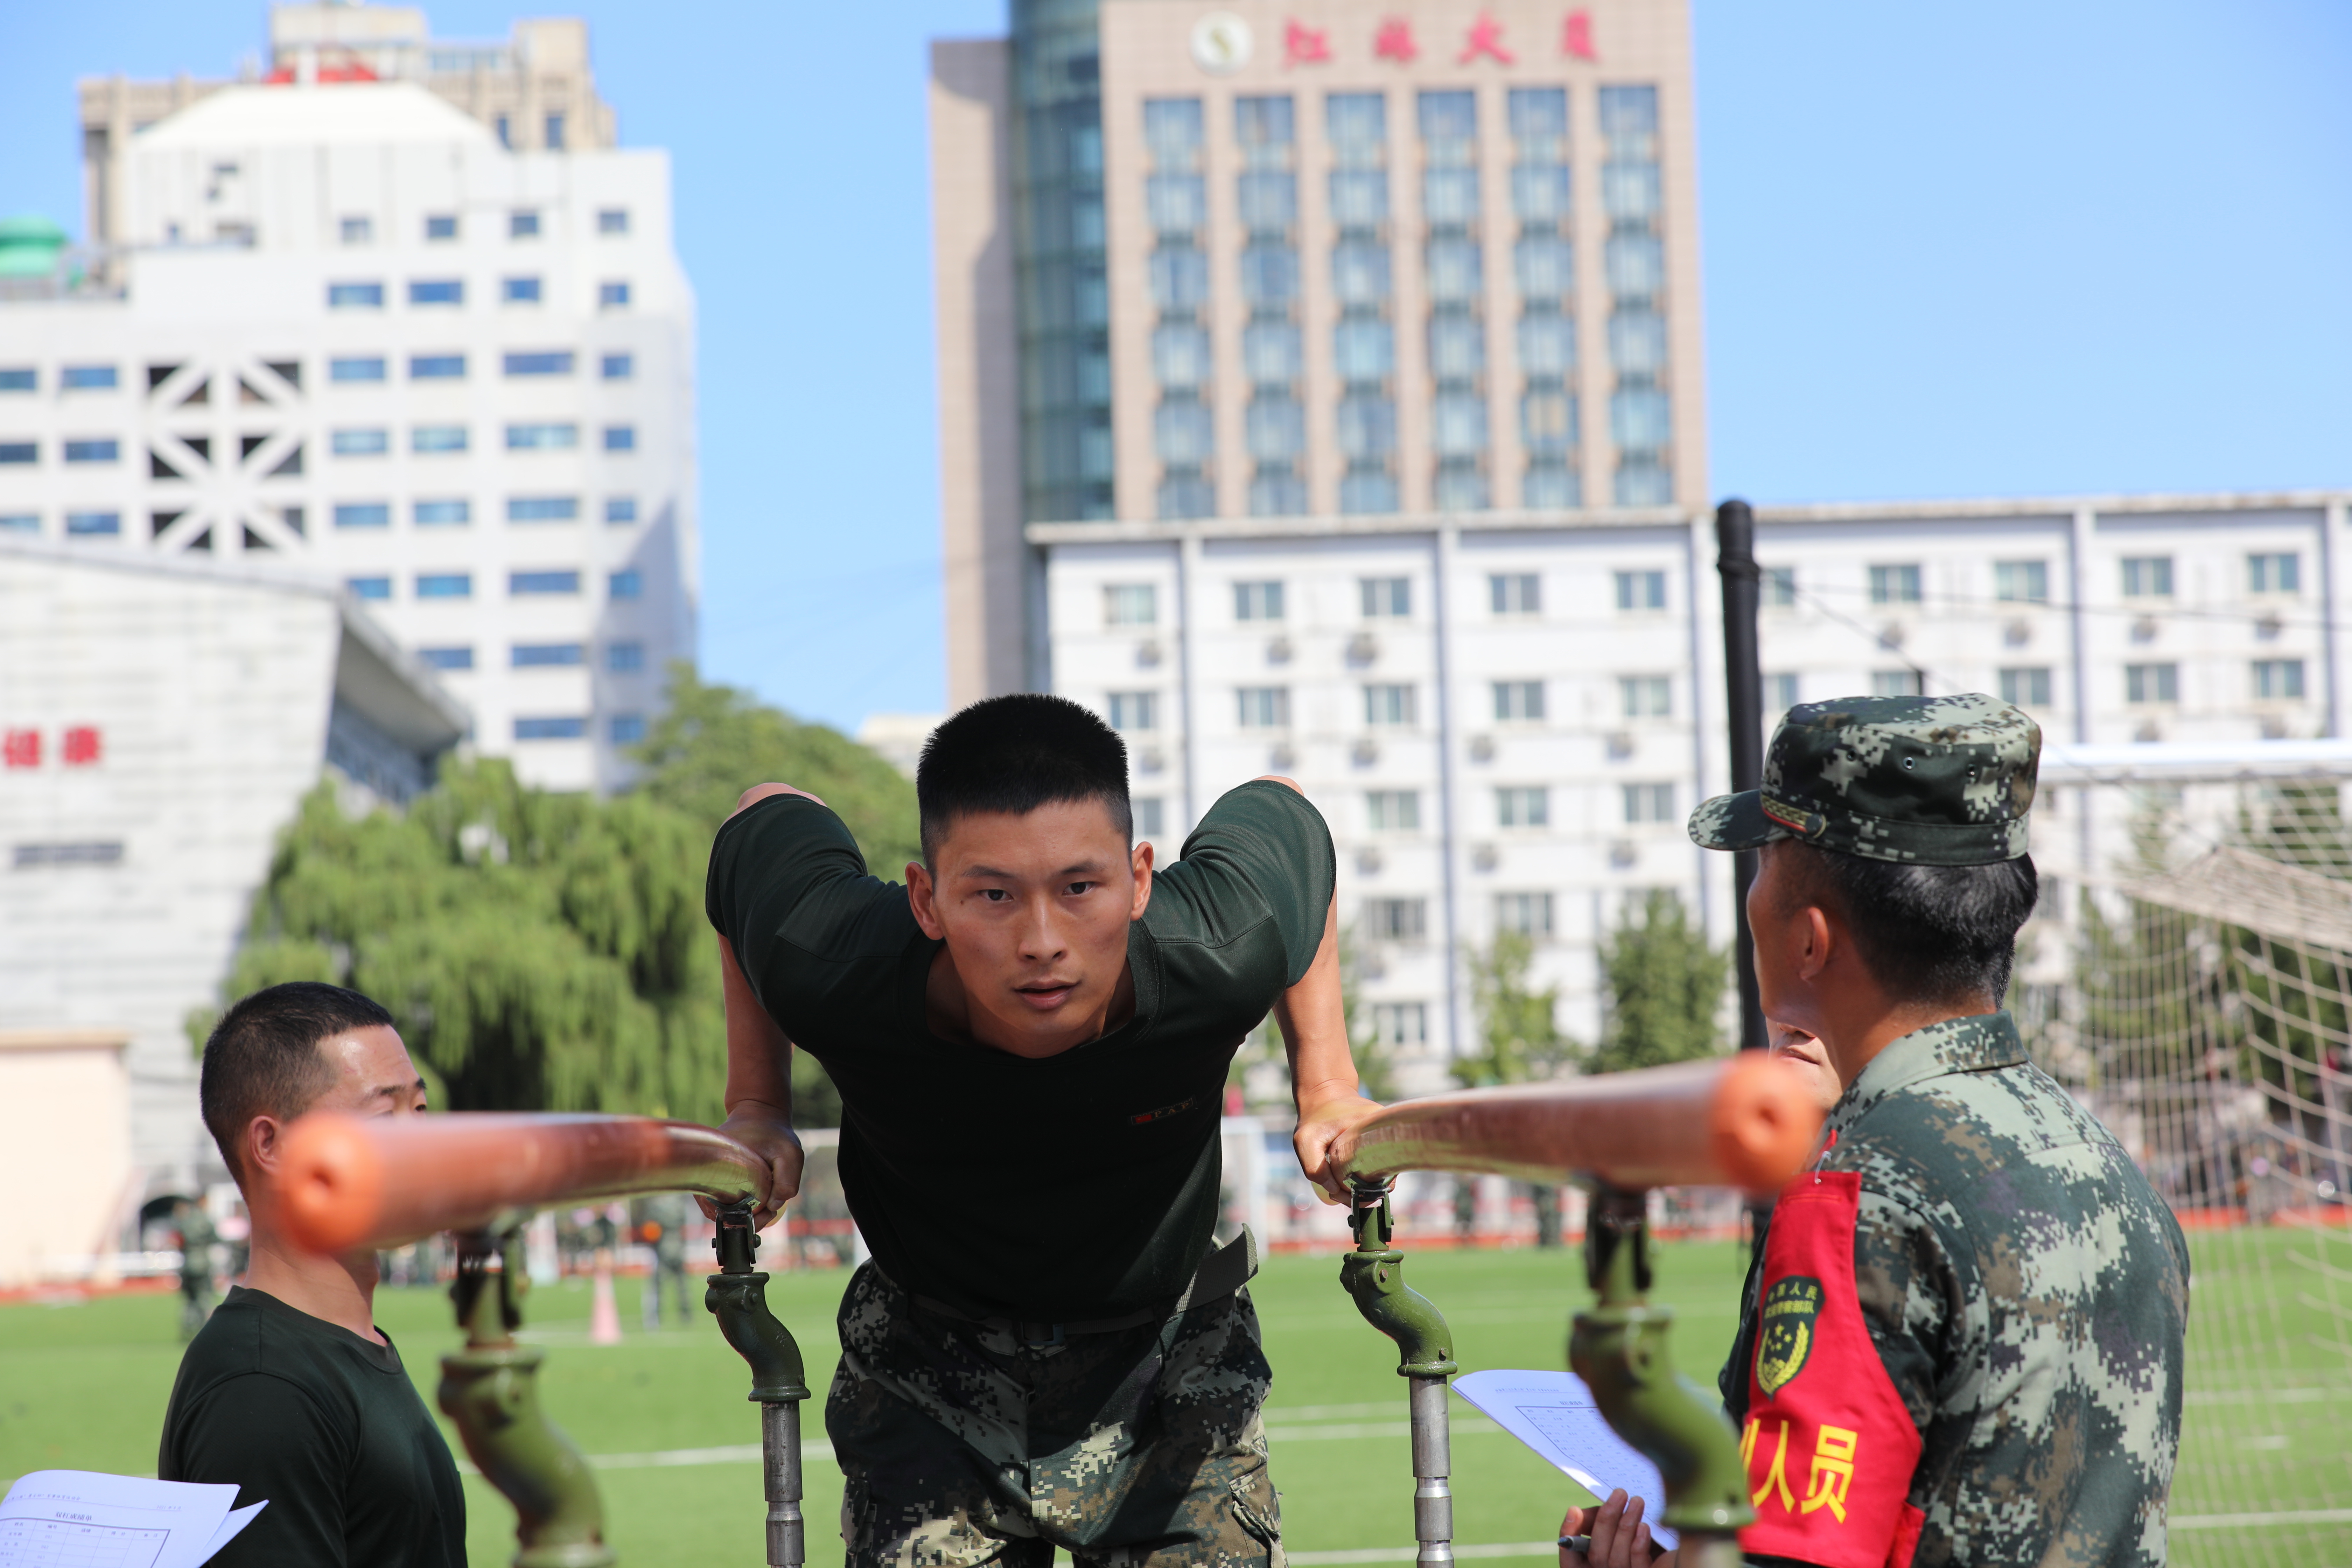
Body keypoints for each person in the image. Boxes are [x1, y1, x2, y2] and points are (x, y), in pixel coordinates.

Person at [704, 693, 1377, 1566]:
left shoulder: (1219, 945)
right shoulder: (834, 962)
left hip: (1170, 1360)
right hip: (927, 1362)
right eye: (992, 894)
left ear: (1139, 881)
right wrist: (756, 1101)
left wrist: (1327, 1081)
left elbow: (1290, 817)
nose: (1042, 941)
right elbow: (761, 821)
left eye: (1079, 888)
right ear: (926, 900)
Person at [1568, 694, 2190, 1568]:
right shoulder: (2100, 1162)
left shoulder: (1861, 1200)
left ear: (1809, 942)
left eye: (1761, 871)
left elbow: (1797, 1555)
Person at [159, 981, 465, 1567]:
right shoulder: (264, 1387)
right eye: (385, 1114)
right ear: (271, 1145)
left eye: (420, 1109)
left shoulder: (344, 1346)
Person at [173, 1196, 219, 1343]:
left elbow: (179, 1242)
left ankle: (187, 1328)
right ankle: (206, 1329)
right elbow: (215, 1239)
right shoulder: (206, 1221)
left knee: (190, 1300)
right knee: (204, 1296)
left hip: (188, 1264)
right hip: (203, 1263)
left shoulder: (185, 1222)